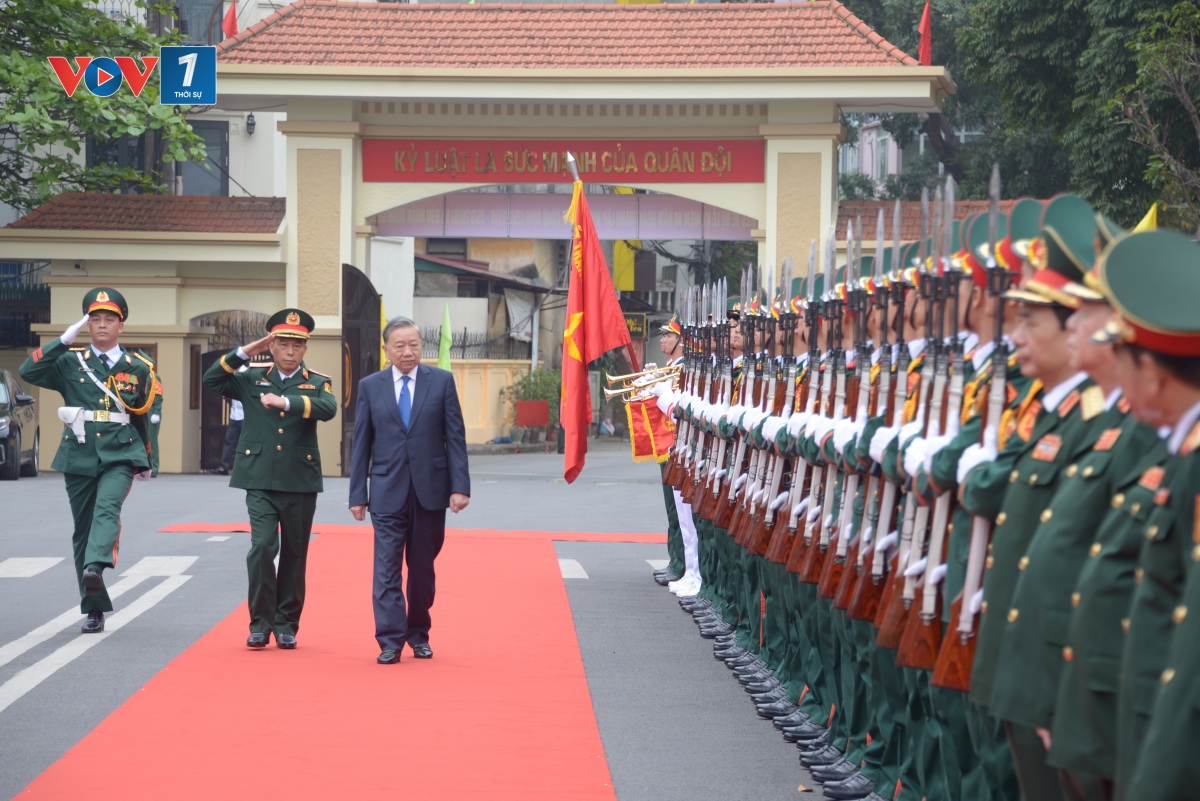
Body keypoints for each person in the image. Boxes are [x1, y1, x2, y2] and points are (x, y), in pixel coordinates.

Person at [19, 287, 158, 634]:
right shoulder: (70, 361)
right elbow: (28, 371)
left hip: (121, 452)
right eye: (95, 319)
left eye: (109, 319)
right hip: (79, 451)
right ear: (87, 325)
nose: (102, 325)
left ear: (121, 326)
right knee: (83, 531)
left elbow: (141, 413)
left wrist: (146, 457)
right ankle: (94, 608)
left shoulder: (138, 368)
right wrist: (64, 340)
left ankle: (95, 566)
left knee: (107, 509)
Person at [202, 309, 337, 649]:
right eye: (283, 344)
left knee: (294, 552)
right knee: (262, 546)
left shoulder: (317, 381)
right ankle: (260, 622)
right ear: (272, 345)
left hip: (299, 479)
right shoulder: (251, 377)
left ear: (305, 349)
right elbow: (212, 380)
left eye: (297, 345)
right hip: (259, 476)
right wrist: (245, 352)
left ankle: (286, 623)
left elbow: (328, 408)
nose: (290, 351)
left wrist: (286, 402)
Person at [349, 316, 470, 665]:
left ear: (421, 347)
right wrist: (358, 494)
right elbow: (361, 444)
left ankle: (418, 634)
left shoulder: (441, 382)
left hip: (430, 492)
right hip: (386, 491)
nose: (407, 351)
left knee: (421, 570)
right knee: (386, 569)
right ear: (386, 350)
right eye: (399, 345)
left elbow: (455, 438)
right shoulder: (370, 386)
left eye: (413, 344)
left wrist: (460, 487)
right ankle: (390, 640)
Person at [209, 386, 245, 476]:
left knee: (245, 442)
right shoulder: (232, 381)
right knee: (228, 441)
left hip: (244, 416)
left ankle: (244, 468)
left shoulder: (245, 380)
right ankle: (223, 467)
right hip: (234, 416)